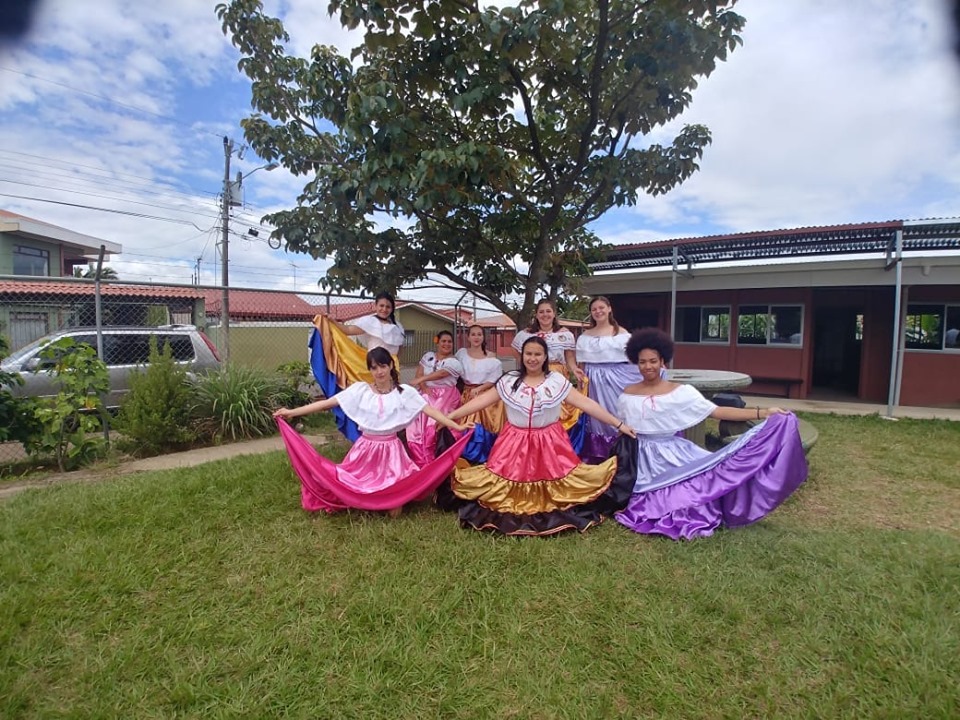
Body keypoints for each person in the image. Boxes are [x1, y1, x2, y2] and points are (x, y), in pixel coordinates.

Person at [612, 328, 808, 540]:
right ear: (636, 362)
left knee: (705, 483)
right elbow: (621, 426)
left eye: (652, 361)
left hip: (671, 452)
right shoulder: (628, 392)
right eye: (642, 362)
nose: (647, 366)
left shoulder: (681, 391)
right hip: (637, 457)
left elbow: (717, 411)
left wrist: (763, 412)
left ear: (662, 361)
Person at [444, 336, 637, 536]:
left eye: (537, 354)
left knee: (560, 481)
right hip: (513, 443)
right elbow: (483, 400)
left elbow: (586, 403)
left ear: (545, 357)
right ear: (522, 356)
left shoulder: (556, 381)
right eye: (529, 354)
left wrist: (618, 424)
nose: (533, 358)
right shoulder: (509, 380)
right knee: (501, 482)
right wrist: (452, 415)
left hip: (550, 443)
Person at [274, 347, 473, 517]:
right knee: (347, 488)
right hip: (366, 450)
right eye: (374, 367)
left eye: (383, 366)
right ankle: (365, 495)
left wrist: (456, 426)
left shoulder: (404, 393)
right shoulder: (360, 390)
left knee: (395, 510)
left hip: (392, 453)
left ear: (390, 367)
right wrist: (291, 412)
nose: (379, 371)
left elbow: (431, 411)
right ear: (370, 369)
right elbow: (328, 403)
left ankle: (385, 496)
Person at [308, 291, 406, 441]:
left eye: (388, 306)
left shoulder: (398, 326)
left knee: (392, 400)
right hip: (375, 366)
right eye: (381, 305)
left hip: (392, 367)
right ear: (375, 306)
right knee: (372, 400)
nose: (384, 309)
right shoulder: (370, 322)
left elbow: (400, 348)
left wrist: (395, 365)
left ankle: (391, 434)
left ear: (392, 308)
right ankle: (367, 435)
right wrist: (333, 322)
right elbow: (347, 331)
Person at [511, 298, 587, 451]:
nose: (545, 315)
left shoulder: (565, 334)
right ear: (536, 315)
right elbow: (516, 352)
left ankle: (557, 449)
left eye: (548, 311)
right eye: (541, 312)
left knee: (558, 411)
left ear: (554, 314)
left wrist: (575, 370)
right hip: (534, 374)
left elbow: (569, 358)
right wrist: (528, 367)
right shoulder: (525, 334)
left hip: (557, 375)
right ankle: (534, 448)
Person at [575, 296, 642, 463]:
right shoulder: (585, 336)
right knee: (597, 416)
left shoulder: (622, 333)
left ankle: (621, 449)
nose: (598, 311)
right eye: (594, 309)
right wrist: (580, 384)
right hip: (593, 379)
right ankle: (600, 454)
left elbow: (633, 358)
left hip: (617, 376)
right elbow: (581, 364)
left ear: (609, 309)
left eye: (601, 308)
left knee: (617, 411)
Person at [406, 330, 464, 466]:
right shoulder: (428, 356)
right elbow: (419, 371)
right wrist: (423, 386)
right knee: (415, 425)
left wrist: (422, 379)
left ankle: (437, 458)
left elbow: (441, 374)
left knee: (434, 424)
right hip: (426, 393)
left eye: (449, 342)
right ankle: (420, 458)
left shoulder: (454, 362)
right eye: (444, 341)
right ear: (437, 342)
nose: (447, 344)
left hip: (446, 395)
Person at [453, 324, 505, 461]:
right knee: (467, 423)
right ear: (468, 337)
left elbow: (494, 379)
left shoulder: (491, 356)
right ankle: (467, 454)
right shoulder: (461, 353)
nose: (476, 337)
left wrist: (479, 389)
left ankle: (483, 455)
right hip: (467, 393)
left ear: (483, 337)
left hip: (485, 395)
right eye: (473, 334)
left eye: (479, 334)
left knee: (483, 425)